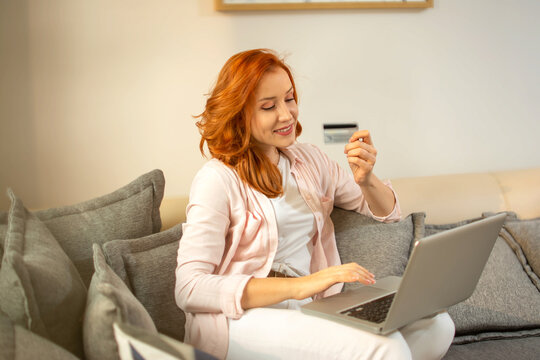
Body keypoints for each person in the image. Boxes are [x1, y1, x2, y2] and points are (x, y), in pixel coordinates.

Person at [175, 49, 454, 360]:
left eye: (289, 99)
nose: (286, 114)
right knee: (388, 349)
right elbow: (189, 287)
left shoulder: (309, 160)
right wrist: (303, 285)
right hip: (242, 318)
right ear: (239, 113)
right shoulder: (217, 179)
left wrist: (366, 179)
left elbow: (388, 213)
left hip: (306, 307)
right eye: (269, 106)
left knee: (437, 326)